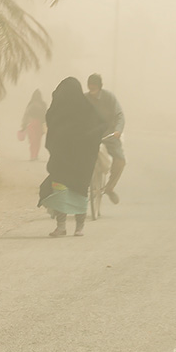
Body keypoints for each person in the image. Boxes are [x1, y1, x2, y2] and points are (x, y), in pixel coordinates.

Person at [38, 76, 104, 237]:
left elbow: (52, 126)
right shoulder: (87, 109)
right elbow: (100, 126)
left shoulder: (59, 110)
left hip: (66, 159)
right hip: (79, 161)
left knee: (65, 189)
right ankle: (75, 227)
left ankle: (64, 226)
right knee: (78, 190)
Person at [86, 73, 126, 204]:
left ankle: (109, 188)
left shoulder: (109, 98)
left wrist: (118, 130)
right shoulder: (84, 98)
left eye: (94, 87)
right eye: (90, 87)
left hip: (108, 135)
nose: (92, 90)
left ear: (100, 87)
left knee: (120, 160)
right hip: (89, 135)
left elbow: (119, 115)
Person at [19, 89, 47, 161]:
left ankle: (32, 155)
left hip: (31, 124)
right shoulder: (43, 104)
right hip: (39, 125)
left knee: (32, 140)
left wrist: (24, 125)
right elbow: (45, 115)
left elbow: (26, 115)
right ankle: (35, 155)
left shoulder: (31, 104)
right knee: (37, 141)